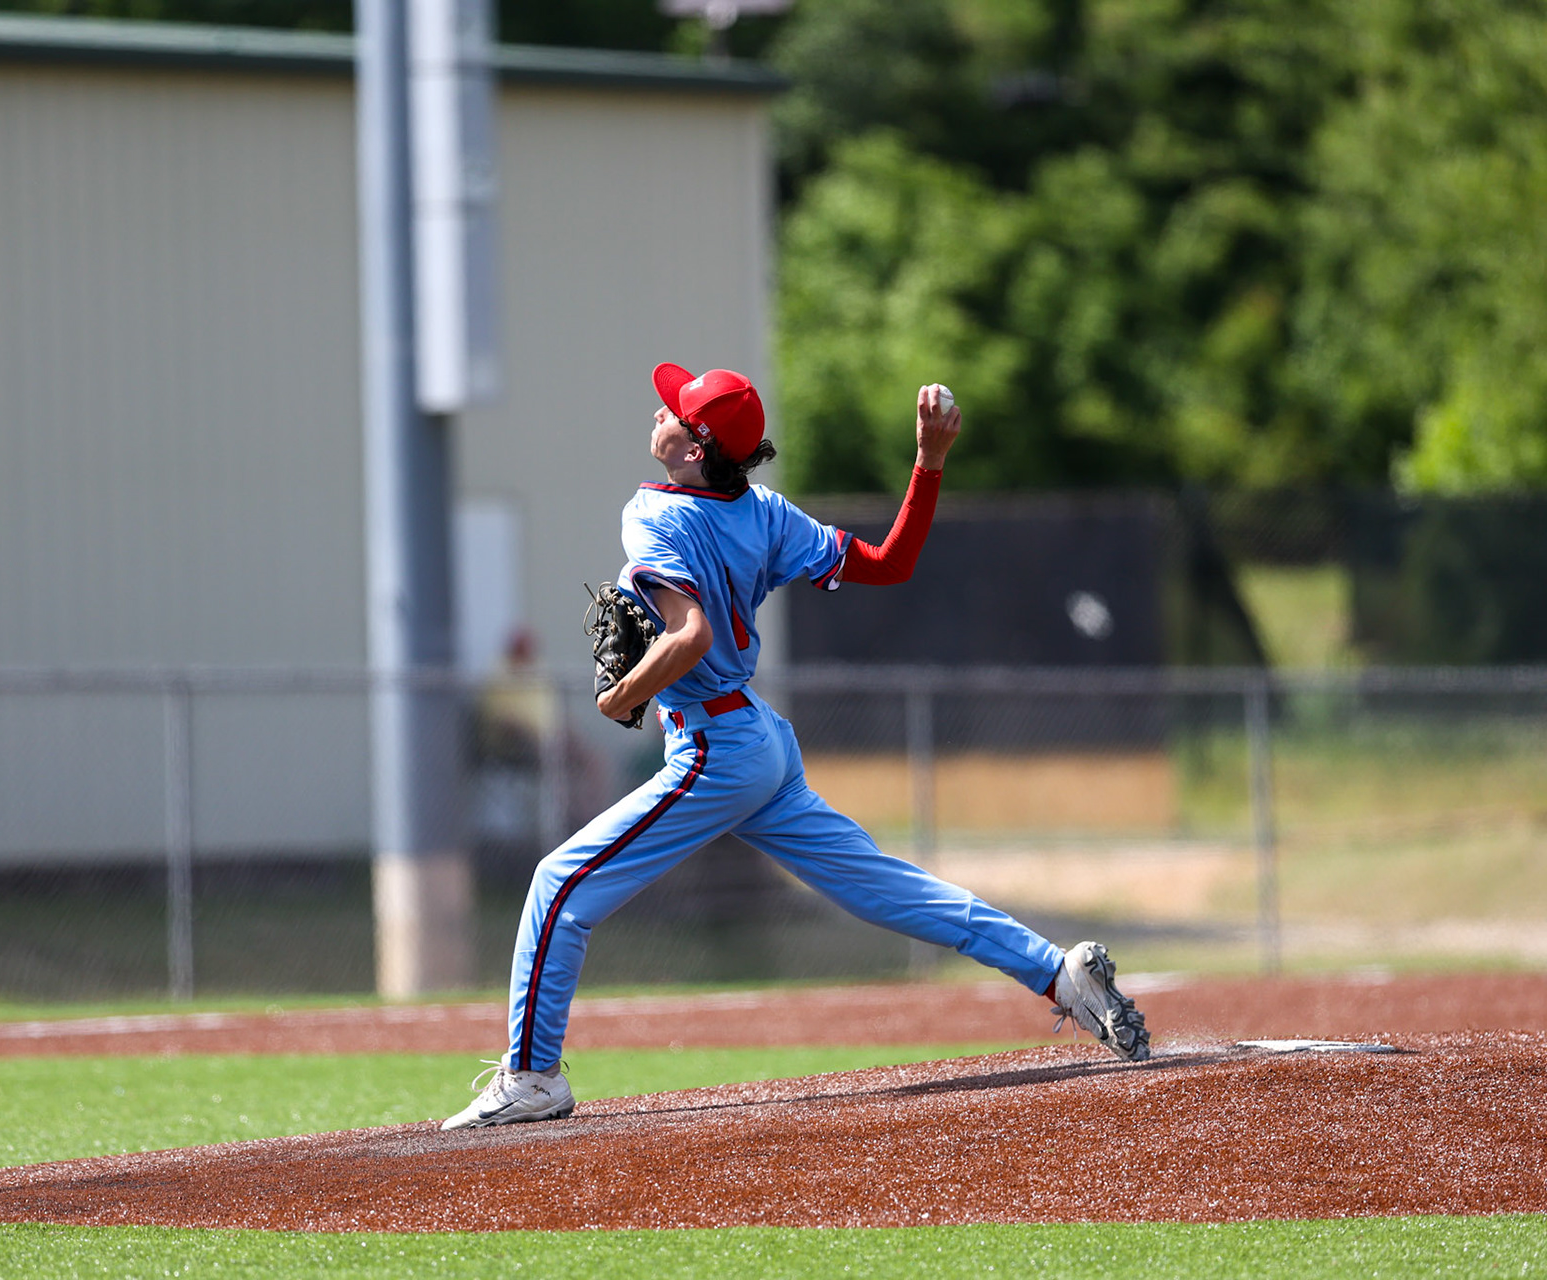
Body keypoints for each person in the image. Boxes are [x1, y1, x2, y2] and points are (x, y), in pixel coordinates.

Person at [442, 364, 1149, 1130]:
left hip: (716, 750)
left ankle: (533, 1077)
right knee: (888, 888)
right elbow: (891, 562)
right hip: (758, 742)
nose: (659, 411)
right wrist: (929, 462)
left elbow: (690, 635)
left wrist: (621, 697)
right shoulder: (766, 512)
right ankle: (1059, 976)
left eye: (675, 410)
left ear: (695, 448)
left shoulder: (653, 515)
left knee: (558, 888)